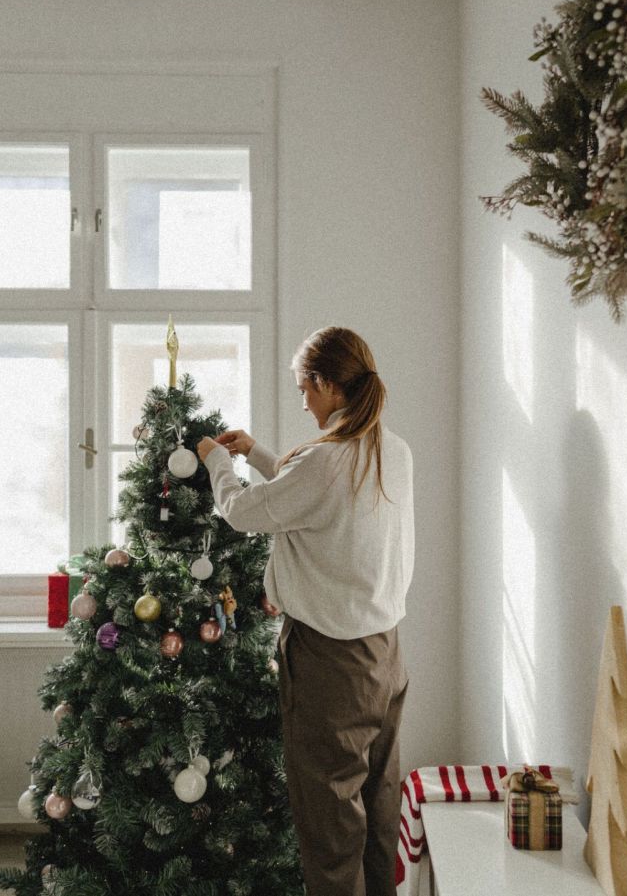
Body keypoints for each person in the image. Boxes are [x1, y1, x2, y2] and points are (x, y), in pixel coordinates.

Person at [196, 326, 414, 896]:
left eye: (305, 389)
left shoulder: (326, 463)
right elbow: (320, 500)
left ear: (329, 386)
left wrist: (217, 461)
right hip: (386, 655)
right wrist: (260, 454)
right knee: (377, 806)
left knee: (329, 825)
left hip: (330, 663)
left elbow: (243, 511)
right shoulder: (391, 449)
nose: (303, 402)